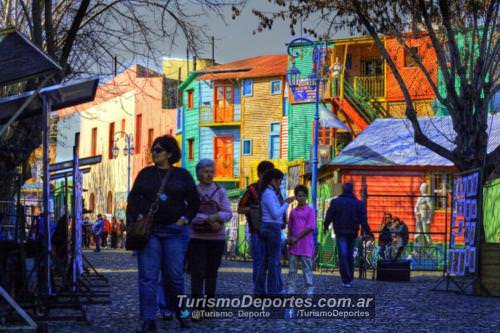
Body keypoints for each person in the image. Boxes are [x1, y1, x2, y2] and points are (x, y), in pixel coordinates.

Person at [126, 135, 200, 332]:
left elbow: (194, 202)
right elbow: (132, 200)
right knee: (148, 276)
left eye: (158, 150)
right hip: (150, 232)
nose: (154, 153)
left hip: (175, 232)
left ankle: (182, 314)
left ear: (169, 153)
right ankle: (148, 318)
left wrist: (185, 219)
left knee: (175, 276)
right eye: (153, 149)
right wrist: (138, 216)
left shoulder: (182, 175)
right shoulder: (145, 174)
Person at [188, 159, 232, 319]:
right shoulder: (193, 191)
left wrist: (216, 217)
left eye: (211, 171)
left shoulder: (220, 191)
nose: (209, 174)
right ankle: (197, 308)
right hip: (196, 237)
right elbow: (189, 213)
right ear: (198, 173)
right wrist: (207, 219)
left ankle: (209, 306)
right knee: (197, 273)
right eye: (205, 171)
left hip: (216, 238)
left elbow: (228, 213)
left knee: (212, 273)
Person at [324, 183, 373, 288]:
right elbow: (363, 220)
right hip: (352, 232)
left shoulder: (336, 202)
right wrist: (369, 232)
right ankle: (349, 278)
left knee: (343, 255)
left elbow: (329, 215)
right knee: (349, 255)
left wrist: (325, 225)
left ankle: (346, 279)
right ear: (352, 190)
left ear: (343, 190)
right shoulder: (358, 204)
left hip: (340, 232)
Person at [255, 168, 295, 296]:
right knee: (273, 261)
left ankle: (260, 290)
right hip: (272, 228)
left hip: (267, 227)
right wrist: (286, 203)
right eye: (280, 181)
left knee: (265, 261)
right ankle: (274, 290)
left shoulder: (268, 192)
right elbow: (275, 213)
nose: (280, 183)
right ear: (274, 180)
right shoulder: (268, 193)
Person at [237, 160, 274, 293]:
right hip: (256, 232)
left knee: (273, 264)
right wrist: (253, 209)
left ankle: (272, 291)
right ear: (259, 174)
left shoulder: (275, 190)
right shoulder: (252, 190)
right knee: (259, 263)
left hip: (272, 233)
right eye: (267, 174)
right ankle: (259, 292)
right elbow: (240, 209)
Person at [287, 185, 316, 295]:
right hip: (294, 245)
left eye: (303, 195)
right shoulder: (293, 212)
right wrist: (289, 238)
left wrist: (296, 237)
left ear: (307, 197)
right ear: (296, 197)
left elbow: (310, 227)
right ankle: (290, 289)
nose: (301, 198)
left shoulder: (310, 211)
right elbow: (289, 226)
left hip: (305, 245)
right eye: (299, 196)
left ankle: (309, 289)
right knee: (292, 269)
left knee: (307, 269)